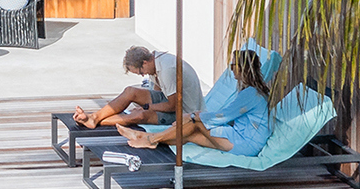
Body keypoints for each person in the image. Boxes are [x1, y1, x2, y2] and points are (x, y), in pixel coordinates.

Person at [137, 45, 271, 157]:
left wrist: (194, 115)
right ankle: (149, 138)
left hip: (245, 144)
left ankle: (150, 138)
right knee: (189, 135)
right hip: (245, 140)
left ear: (243, 68)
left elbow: (224, 116)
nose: (231, 69)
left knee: (194, 122)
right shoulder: (252, 91)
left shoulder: (251, 94)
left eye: (233, 66)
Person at [73, 47, 172, 129]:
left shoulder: (167, 70)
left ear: (145, 62)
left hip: (181, 112)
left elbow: (173, 106)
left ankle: (91, 120)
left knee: (140, 115)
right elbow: (157, 91)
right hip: (167, 99)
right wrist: (150, 106)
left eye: (141, 72)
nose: (142, 76)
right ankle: (94, 117)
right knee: (130, 91)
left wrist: (147, 108)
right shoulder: (155, 62)